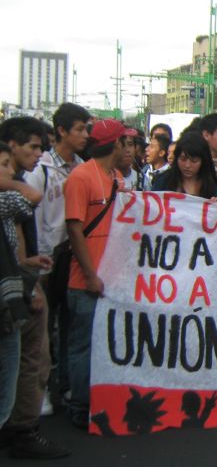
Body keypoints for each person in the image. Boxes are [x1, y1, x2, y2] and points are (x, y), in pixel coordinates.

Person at [63, 119, 133, 429]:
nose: (129, 148)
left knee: (105, 343)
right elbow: (74, 229)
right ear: (116, 144)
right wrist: (90, 274)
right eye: (125, 142)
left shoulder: (115, 177)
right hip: (86, 281)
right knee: (83, 345)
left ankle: (100, 400)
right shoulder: (81, 177)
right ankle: (80, 404)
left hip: (113, 279)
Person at [22, 104, 89, 423]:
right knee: (44, 330)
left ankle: (65, 384)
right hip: (47, 258)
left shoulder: (82, 167)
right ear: (61, 131)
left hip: (72, 257)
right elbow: (31, 219)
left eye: (87, 129)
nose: (85, 135)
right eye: (79, 129)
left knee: (68, 325)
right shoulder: (42, 170)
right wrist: (36, 263)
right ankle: (42, 389)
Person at [0, 141, 43, 431]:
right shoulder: (6, 197)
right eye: (4, 165)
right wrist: (10, 183)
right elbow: (33, 195)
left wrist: (26, 261)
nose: (10, 171)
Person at [152, 133, 217, 200]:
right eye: (183, 159)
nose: (187, 165)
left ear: (203, 161)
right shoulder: (162, 182)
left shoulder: (214, 188)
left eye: (194, 161)